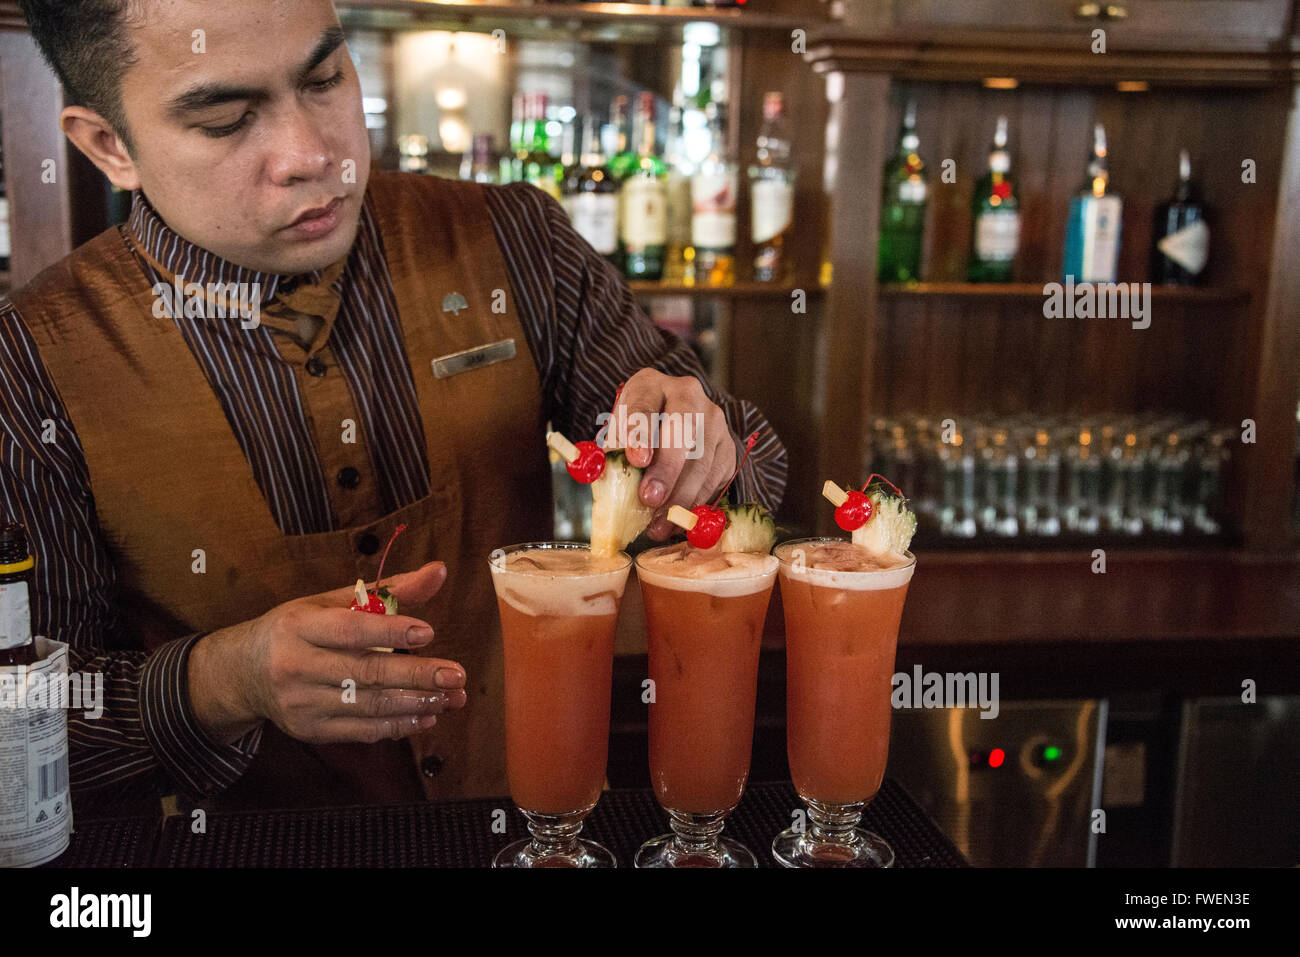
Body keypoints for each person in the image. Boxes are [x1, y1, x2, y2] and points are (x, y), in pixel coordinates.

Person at [1, 0, 787, 812]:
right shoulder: (36, 359)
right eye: (229, 120)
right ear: (107, 145)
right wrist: (217, 682)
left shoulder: (512, 240)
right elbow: (15, 715)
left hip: (537, 828)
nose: (311, 155)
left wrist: (700, 446)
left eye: (326, 79)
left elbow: (756, 464)